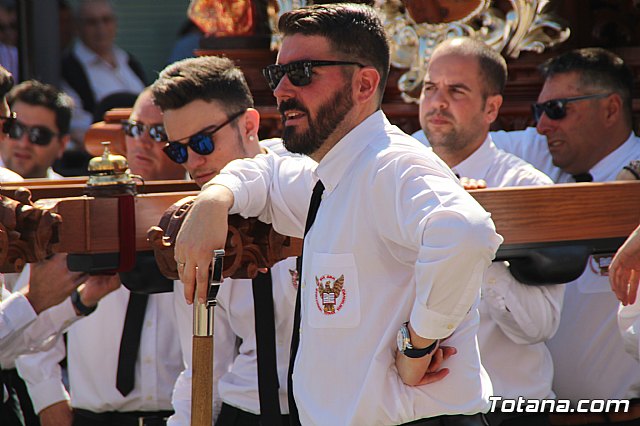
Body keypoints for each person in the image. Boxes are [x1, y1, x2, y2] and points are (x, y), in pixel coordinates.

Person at [174, 4, 502, 425]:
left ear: (364, 84)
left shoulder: (392, 164)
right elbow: (267, 172)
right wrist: (214, 199)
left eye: (304, 73)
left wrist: (416, 345)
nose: (282, 91)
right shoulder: (332, 172)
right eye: (278, 75)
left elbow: (467, 232)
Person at [15, 89, 184, 426]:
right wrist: (49, 401)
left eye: (159, 133)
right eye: (136, 129)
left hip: (184, 415)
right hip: (94, 417)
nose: (142, 142)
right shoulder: (80, 214)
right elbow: (31, 313)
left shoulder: (208, 215)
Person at [417, 37, 560, 425]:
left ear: (492, 107)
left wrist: (479, 239)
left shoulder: (528, 189)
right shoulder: (393, 176)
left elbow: (539, 326)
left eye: (456, 90)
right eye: (430, 88)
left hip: (507, 409)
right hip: (414, 411)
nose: (437, 102)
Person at [487, 48, 640, 406]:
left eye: (557, 110)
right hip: (531, 413)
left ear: (611, 109)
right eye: (539, 111)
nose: (542, 125)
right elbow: (456, 142)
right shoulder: (541, 155)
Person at [151, 55, 298, 426]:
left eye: (202, 142)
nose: (193, 163)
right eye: (178, 150)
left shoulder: (307, 176)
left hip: (333, 409)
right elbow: (203, 368)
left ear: (249, 124)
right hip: (245, 410)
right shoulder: (196, 220)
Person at [61, 0, 145, 172]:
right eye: (92, 22)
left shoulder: (128, 61)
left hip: (143, 150)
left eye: (106, 20)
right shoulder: (69, 69)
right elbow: (79, 129)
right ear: (78, 27)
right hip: (103, 163)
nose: (101, 29)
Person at [0, 80, 72, 179]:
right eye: (15, 129)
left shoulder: (69, 193)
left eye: (39, 135)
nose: (23, 144)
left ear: (62, 144)